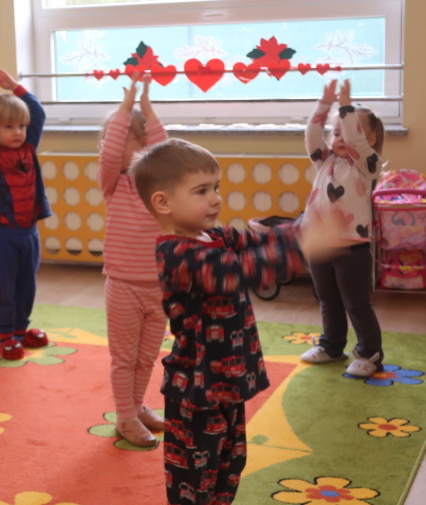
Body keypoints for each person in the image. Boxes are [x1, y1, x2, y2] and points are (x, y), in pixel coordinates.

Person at [130, 137, 343, 505]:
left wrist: (301, 228)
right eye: (201, 191)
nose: (215, 199)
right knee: (195, 474)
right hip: (197, 389)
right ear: (163, 203)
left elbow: (253, 241)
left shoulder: (214, 236)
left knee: (231, 462)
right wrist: (299, 247)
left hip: (227, 380)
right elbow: (236, 270)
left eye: (216, 187)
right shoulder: (176, 253)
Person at [299, 79, 386, 378]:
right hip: (320, 245)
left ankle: (370, 353)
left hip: (353, 248)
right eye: (335, 133)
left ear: (369, 139)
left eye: (347, 132)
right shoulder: (325, 162)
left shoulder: (368, 165)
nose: (340, 137)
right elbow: (312, 134)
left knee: (356, 304)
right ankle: (332, 346)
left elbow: (356, 142)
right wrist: (325, 104)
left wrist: (345, 105)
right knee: (328, 300)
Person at [98, 75, 167, 447]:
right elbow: (111, 155)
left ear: (143, 145)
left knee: (147, 357)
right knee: (125, 358)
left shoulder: (159, 186)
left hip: (159, 286)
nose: (107, 145)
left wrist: (147, 110)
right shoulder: (113, 183)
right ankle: (125, 416)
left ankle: (136, 406)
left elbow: (165, 152)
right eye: (108, 137)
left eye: (122, 135)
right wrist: (125, 109)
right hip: (124, 285)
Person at [0, 69, 52, 360]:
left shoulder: (29, 148)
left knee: (27, 285)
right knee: (5, 287)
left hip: (29, 233)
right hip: (5, 236)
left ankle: (20, 329)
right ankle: (5, 335)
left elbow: (38, 113)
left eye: (21, 126)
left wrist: (15, 86)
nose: (17, 132)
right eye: (9, 127)